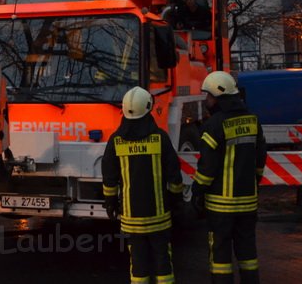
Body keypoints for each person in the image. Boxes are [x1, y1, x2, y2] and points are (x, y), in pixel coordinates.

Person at [102, 86, 183, 284]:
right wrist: (175, 200)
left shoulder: (116, 140)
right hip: (159, 216)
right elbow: (174, 175)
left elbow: (109, 177)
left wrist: (110, 203)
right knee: (163, 263)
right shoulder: (160, 138)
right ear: (148, 107)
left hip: (132, 218)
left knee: (138, 266)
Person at [192, 71, 266, 284]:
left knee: (221, 258)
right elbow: (260, 158)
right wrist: (255, 183)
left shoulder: (214, 125)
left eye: (209, 96)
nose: (207, 101)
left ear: (219, 96)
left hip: (220, 207)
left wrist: (197, 192)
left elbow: (207, 169)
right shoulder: (253, 121)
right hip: (248, 203)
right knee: (248, 255)